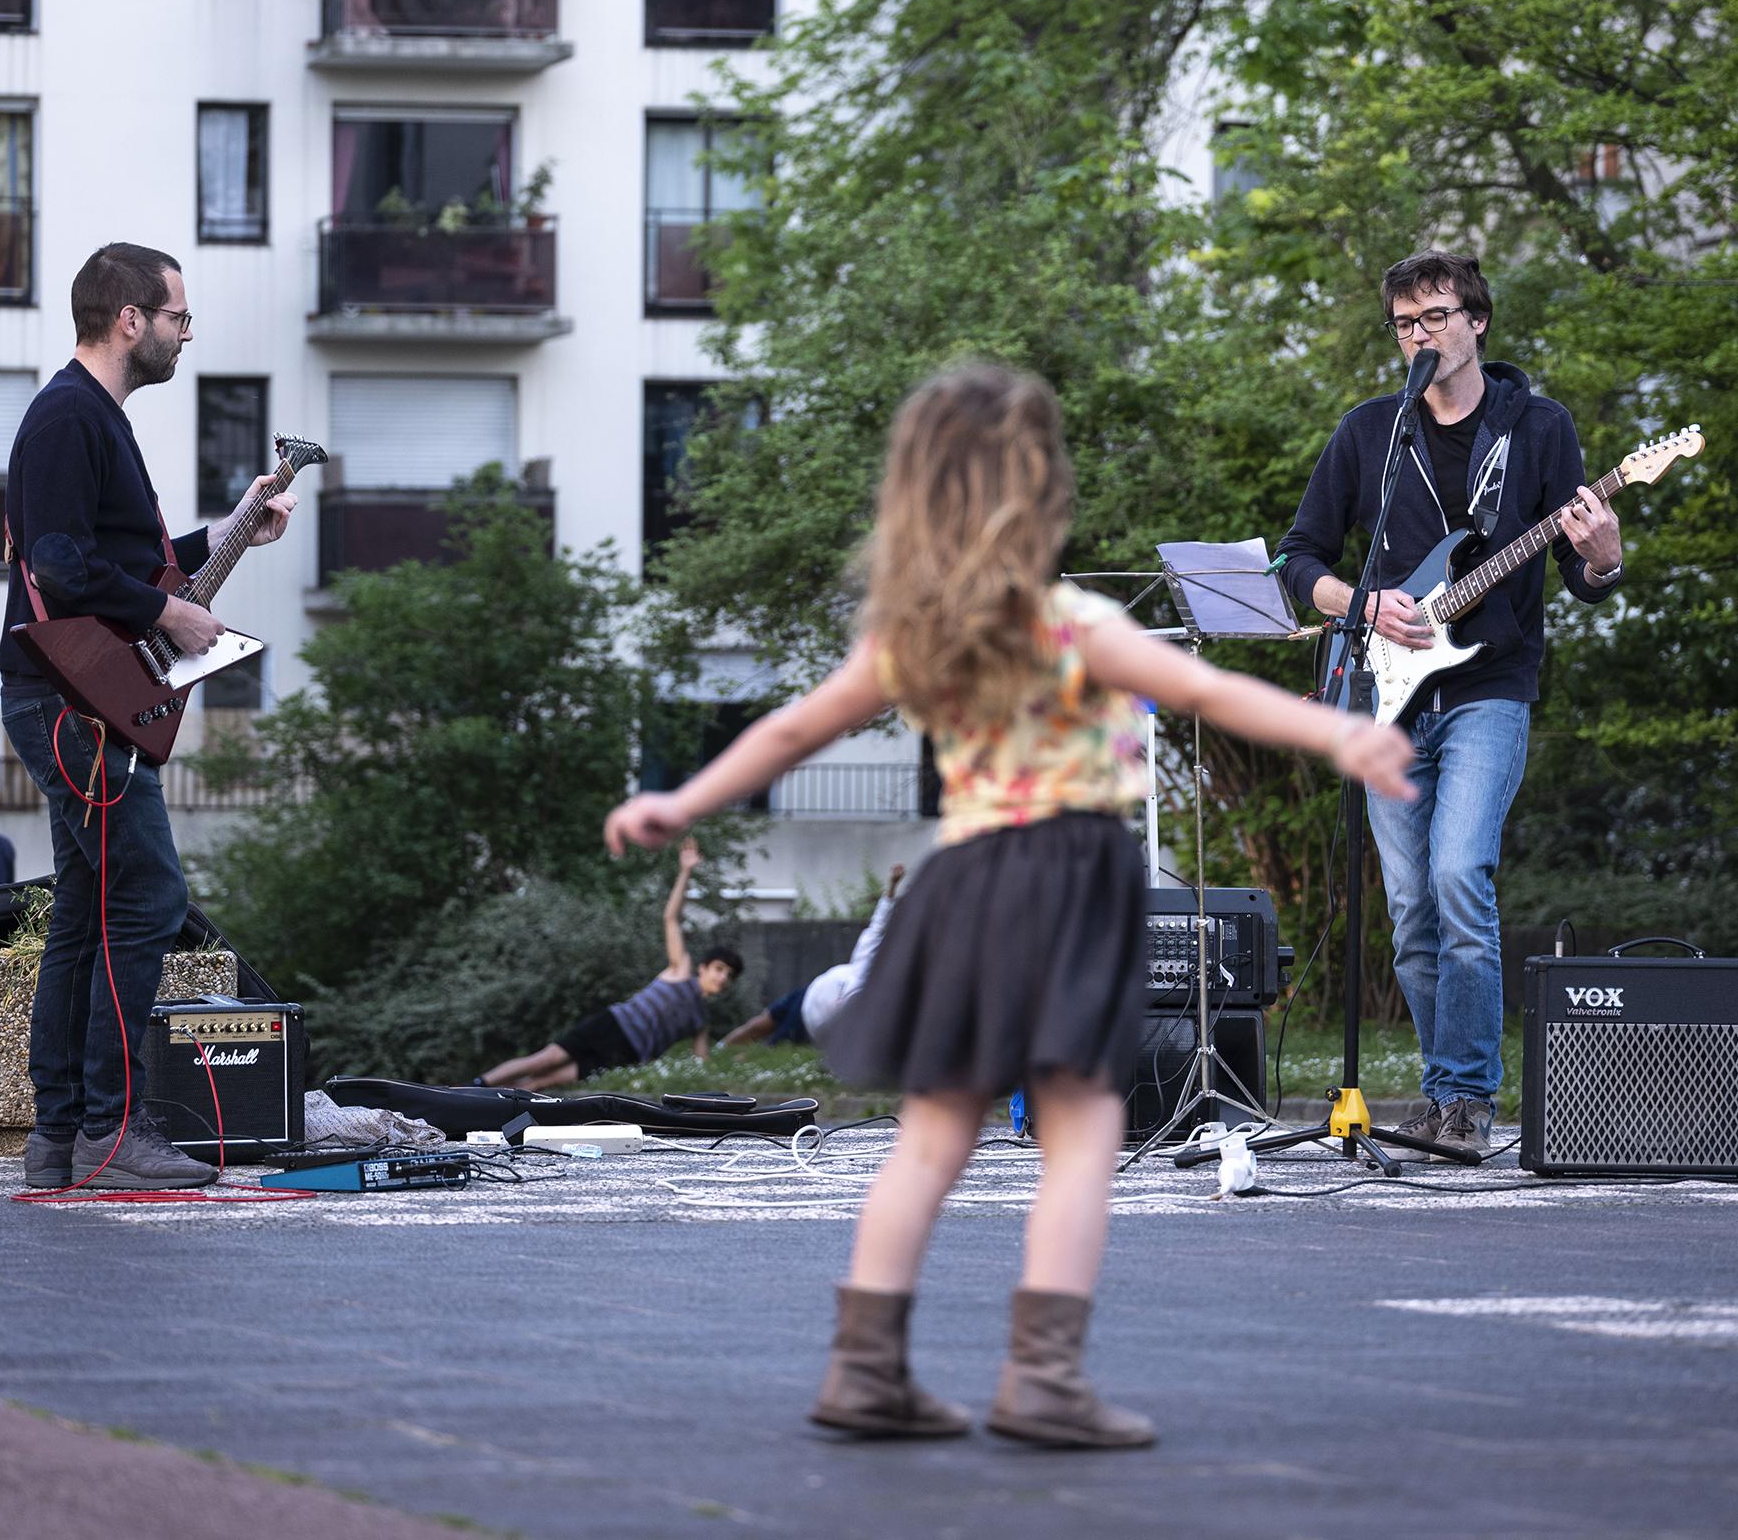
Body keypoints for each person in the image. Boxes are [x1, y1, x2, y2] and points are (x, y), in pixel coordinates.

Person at [605, 365, 1414, 1450]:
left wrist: (679, 799)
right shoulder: (1073, 622)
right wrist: (1341, 734)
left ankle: (864, 1370)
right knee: (1078, 1135)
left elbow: (789, 731)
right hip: (1068, 886)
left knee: (932, 1136)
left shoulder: (915, 631)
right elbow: (1216, 693)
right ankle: (1041, 1380)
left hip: (964, 884)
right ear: (1037, 490)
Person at [1278, 249, 1623, 1157]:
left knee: (1459, 877)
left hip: (1488, 689)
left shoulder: (1540, 429)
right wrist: (1362, 603)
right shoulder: (1371, 433)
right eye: (1404, 324)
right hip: (1382, 696)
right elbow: (1298, 559)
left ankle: (1470, 1098)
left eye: (1435, 317)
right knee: (1411, 910)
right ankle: (1441, 1099)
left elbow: (1584, 577)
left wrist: (1604, 552)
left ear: (1477, 322)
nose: (1419, 337)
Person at [0, 244, 295, 1193]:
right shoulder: (65, 418)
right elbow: (59, 568)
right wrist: (170, 613)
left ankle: (61, 1137)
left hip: (80, 706)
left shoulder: (93, 419)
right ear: (130, 319)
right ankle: (111, 1133)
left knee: (87, 914)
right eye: (177, 316)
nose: (186, 331)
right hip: (74, 709)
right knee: (149, 901)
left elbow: (130, 556)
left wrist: (233, 526)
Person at [474, 840, 745, 1091]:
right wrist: (686, 872)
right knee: (545, 1060)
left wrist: (734, 1077)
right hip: (613, 1025)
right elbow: (671, 919)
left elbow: (703, 1062)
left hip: (626, 1054)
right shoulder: (681, 970)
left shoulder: (700, 1021)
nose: (722, 977)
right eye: (719, 969)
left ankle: (494, 1108)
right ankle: (475, 1087)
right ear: (703, 967)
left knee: (546, 1081)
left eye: (729, 975)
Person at [719, 863, 907, 1053]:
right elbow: (878, 924)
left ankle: (740, 1063)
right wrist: (892, 885)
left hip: (807, 1021)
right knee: (757, 1025)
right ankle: (718, 1050)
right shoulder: (867, 959)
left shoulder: (877, 994)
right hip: (807, 994)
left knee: (770, 1048)